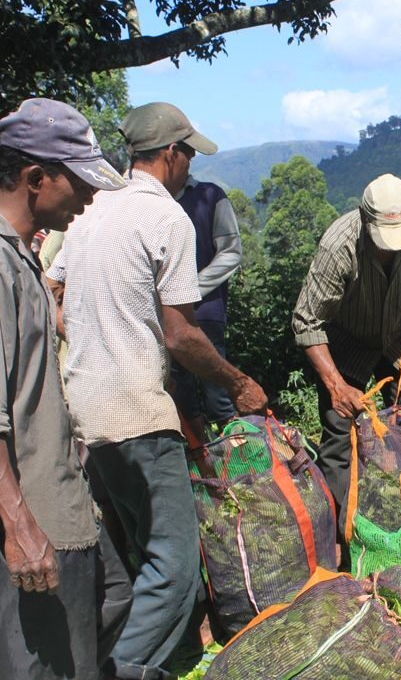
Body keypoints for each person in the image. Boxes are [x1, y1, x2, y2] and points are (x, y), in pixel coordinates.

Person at [51, 101, 268, 680]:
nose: (191, 163)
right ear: (170, 154)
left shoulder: (90, 211)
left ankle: (144, 658)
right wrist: (239, 382)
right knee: (173, 569)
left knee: (133, 560)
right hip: (139, 415)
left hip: (88, 415)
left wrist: (94, 339)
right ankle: (117, 671)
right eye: (189, 151)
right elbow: (182, 336)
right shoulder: (164, 216)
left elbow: (51, 293)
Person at [0, 97, 132, 679]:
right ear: (35, 178)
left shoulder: (23, 259)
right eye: (79, 183)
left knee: (111, 607)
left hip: (63, 505)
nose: (89, 197)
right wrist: (19, 527)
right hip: (36, 524)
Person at [292, 173, 401, 535]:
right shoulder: (338, 245)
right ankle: (346, 536)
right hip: (346, 347)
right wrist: (335, 385)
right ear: (365, 220)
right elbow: (306, 320)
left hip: (398, 340)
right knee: (339, 438)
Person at [171, 174, 243, 442]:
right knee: (182, 395)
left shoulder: (211, 196)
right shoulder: (150, 200)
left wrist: (190, 289)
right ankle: (201, 460)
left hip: (205, 311)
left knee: (218, 393)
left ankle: (241, 461)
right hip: (165, 316)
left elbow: (231, 252)